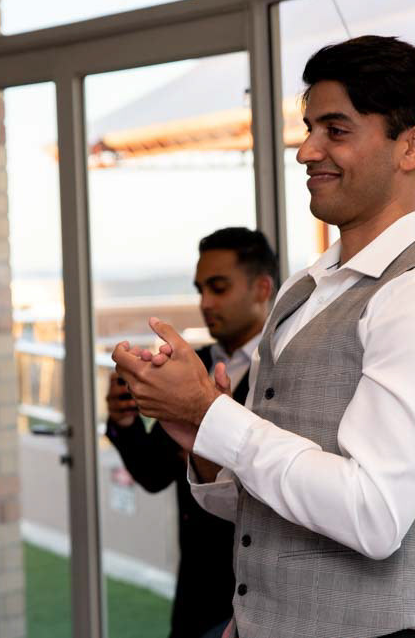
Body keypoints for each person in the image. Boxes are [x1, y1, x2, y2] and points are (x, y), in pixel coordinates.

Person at [113, 35, 415, 638]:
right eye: (309, 128)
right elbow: (262, 505)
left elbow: (373, 516)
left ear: (412, 146)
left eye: (336, 130)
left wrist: (214, 414)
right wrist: (200, 432)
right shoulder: (303, 289)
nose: (306, 151)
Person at [105, 227, 277, 638]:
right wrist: (125, 420)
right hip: (196, 590)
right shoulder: (189, 365)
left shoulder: (284, 368)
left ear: (262, 288)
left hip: (263, 591)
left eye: (219, 287)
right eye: (200, 289)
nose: (205, 303)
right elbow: (153, 472)